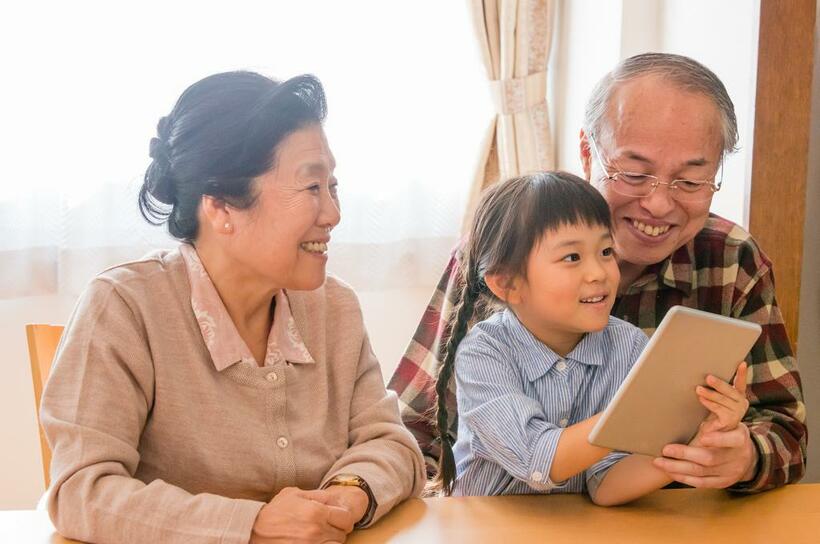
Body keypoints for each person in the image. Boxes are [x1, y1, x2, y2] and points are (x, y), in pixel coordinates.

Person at [389, 53, 806, 493]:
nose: (659, 204)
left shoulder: (729, 260)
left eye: (689, 181)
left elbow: (785, 432)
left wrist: (742, 456)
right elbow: (414, 427)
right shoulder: (504, 250)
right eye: (635, 173)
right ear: (588, 152)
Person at [40, 71, 424, 544]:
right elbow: (82, 492)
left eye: (333, 187)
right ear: (221, 206)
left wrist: (347, 493)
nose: (333, 214)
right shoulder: (124, 308)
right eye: (311, 188)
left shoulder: (334, 308)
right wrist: (253, 525)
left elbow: (390, 443)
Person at [432, 172, 749, 504]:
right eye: (572, 257)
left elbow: (607, 486)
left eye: (606, 251)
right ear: (507, 284)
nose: (599, 273)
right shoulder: (483, 354)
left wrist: (690, 447)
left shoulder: (628, 347)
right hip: (480, 528)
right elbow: (536, 458)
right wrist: (630, 413)